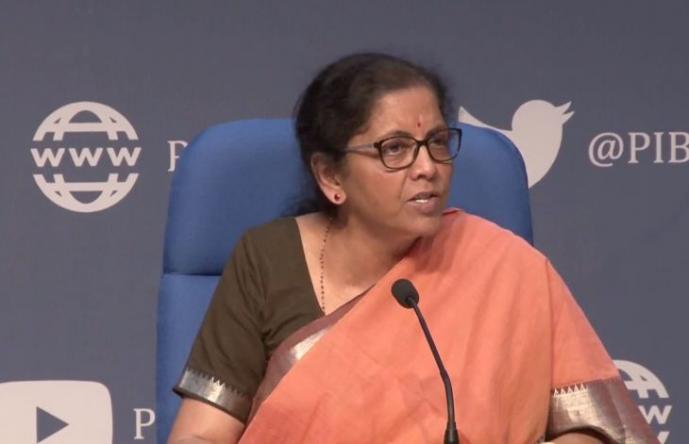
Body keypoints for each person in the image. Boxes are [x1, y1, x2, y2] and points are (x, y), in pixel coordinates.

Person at [167, 53, 657, 444]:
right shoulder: (268, 260)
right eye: (395, 149)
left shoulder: (505, 266)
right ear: (331, 176)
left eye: (438, 142)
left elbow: (597, 428)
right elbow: (201, 433)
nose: (428, 167)